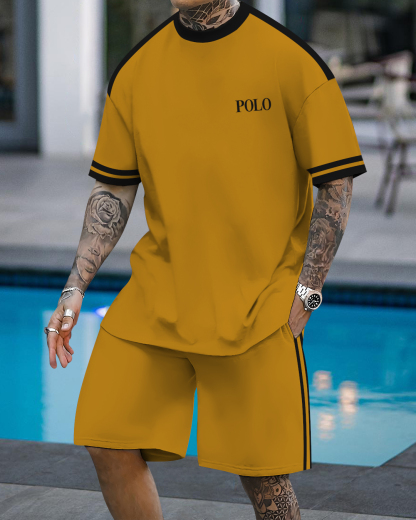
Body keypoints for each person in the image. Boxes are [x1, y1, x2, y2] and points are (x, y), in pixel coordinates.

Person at [44, 1, 367, 518]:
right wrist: (74, 285)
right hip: (160, 295)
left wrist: (309, 287)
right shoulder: (137, 70)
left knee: (265, 481)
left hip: (259, 302)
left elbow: (336, 182)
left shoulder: (290, 61)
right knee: (107, 439)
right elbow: (114, 189)